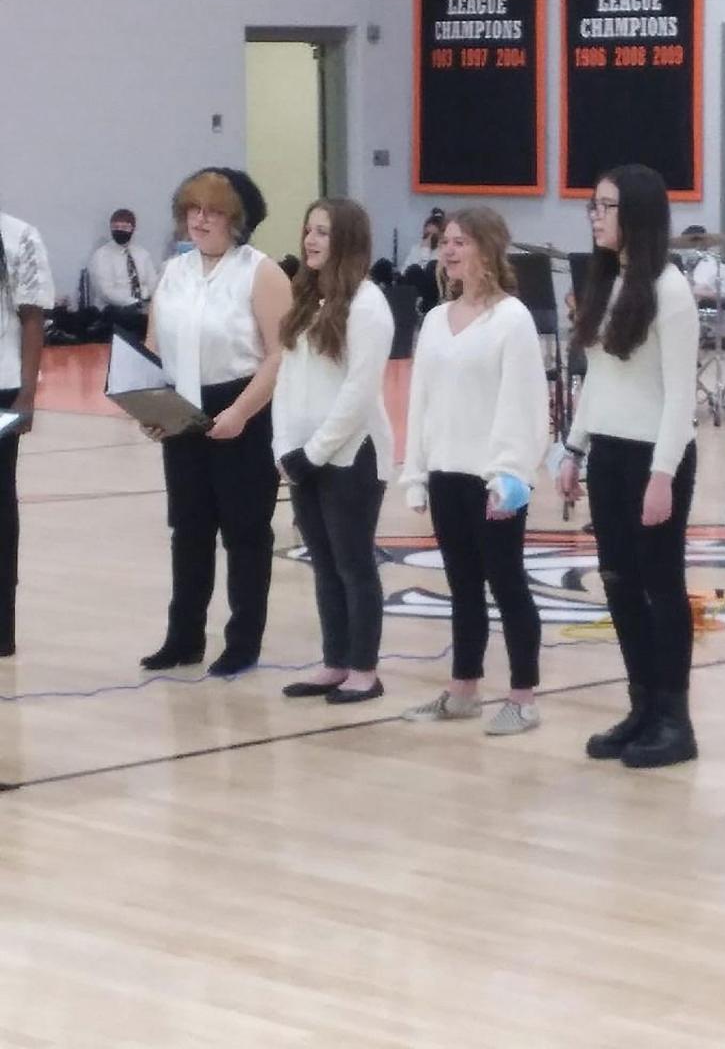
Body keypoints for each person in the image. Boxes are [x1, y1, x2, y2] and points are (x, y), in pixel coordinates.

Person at [558, 164, 700, 768]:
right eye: (594, 204)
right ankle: (641, 704)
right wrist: (573, 447)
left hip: (654, 457)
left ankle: (674, 718)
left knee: (660, 587)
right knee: (617, 582)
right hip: (610, 453)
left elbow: (679, 396)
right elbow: (601, 381)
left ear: (636, 215)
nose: (595, 215)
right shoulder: (606, 282)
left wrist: (663, 474)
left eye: (607, 205)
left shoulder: (670, 290)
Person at [400, 207, 548, 735]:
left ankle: (523, 697)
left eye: (461, 242)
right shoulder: (437, 319)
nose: (450, 250)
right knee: (462, 587)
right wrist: (416, 471)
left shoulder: (512, 319)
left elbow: (524, 402)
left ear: (487, 249)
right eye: (447, 242)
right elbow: (422, 399)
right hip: (446, 472)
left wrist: (509, 473)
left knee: (507, 585)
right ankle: (463, 689)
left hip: (493, 480)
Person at [142, 168, 292, 676]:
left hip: (244, 407)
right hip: (182, 404)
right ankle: (182, 637)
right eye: (193, 210)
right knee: (188, 529)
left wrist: (240, 413)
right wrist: (152, 407)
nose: (199, 220)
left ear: (238, 220)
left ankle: (243, 642)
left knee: (246, 533)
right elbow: (153, 347)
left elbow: (279, 356)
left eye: (212, 211)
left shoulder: (261, 272)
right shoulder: (174, 272)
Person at [273, 199, 394, 704]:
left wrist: (317, 451)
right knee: (322, 562)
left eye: (323, 231)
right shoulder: (305, 299)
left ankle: (364, 670)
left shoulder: (368, 306)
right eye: (308, 230)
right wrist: (284, 448)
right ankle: (335, 660)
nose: (311, 240)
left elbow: (357, 394)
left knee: (353, 562)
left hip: (351, 457)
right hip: (304, 457)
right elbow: (287, 379)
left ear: (346, 239)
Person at [0, 207, 55, 657]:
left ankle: (1, 629)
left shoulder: (19, 236)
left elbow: (32, 317)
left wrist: (27, 395)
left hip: (2, 389)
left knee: (0, 505)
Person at [87, 208, 158, 339]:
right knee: (135, 319)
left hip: (142, 306)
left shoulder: (142, 254)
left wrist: (145, 300)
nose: (120, 230)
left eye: (125, 227)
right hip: (112, 309)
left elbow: (153, 284)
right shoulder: (102, 255)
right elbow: (106, 292)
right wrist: (135, 302)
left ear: (133, 229)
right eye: (116, 227)